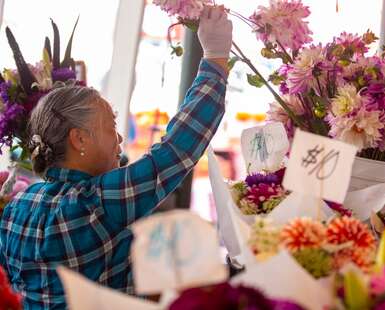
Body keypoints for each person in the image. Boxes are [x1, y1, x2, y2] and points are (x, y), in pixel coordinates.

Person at [0, 6, 232, 309]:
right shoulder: (95, 203)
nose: (119, 139)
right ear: (79, 139)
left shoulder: (18, 205)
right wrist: (215, 59)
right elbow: (176, 151)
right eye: (110, 127)